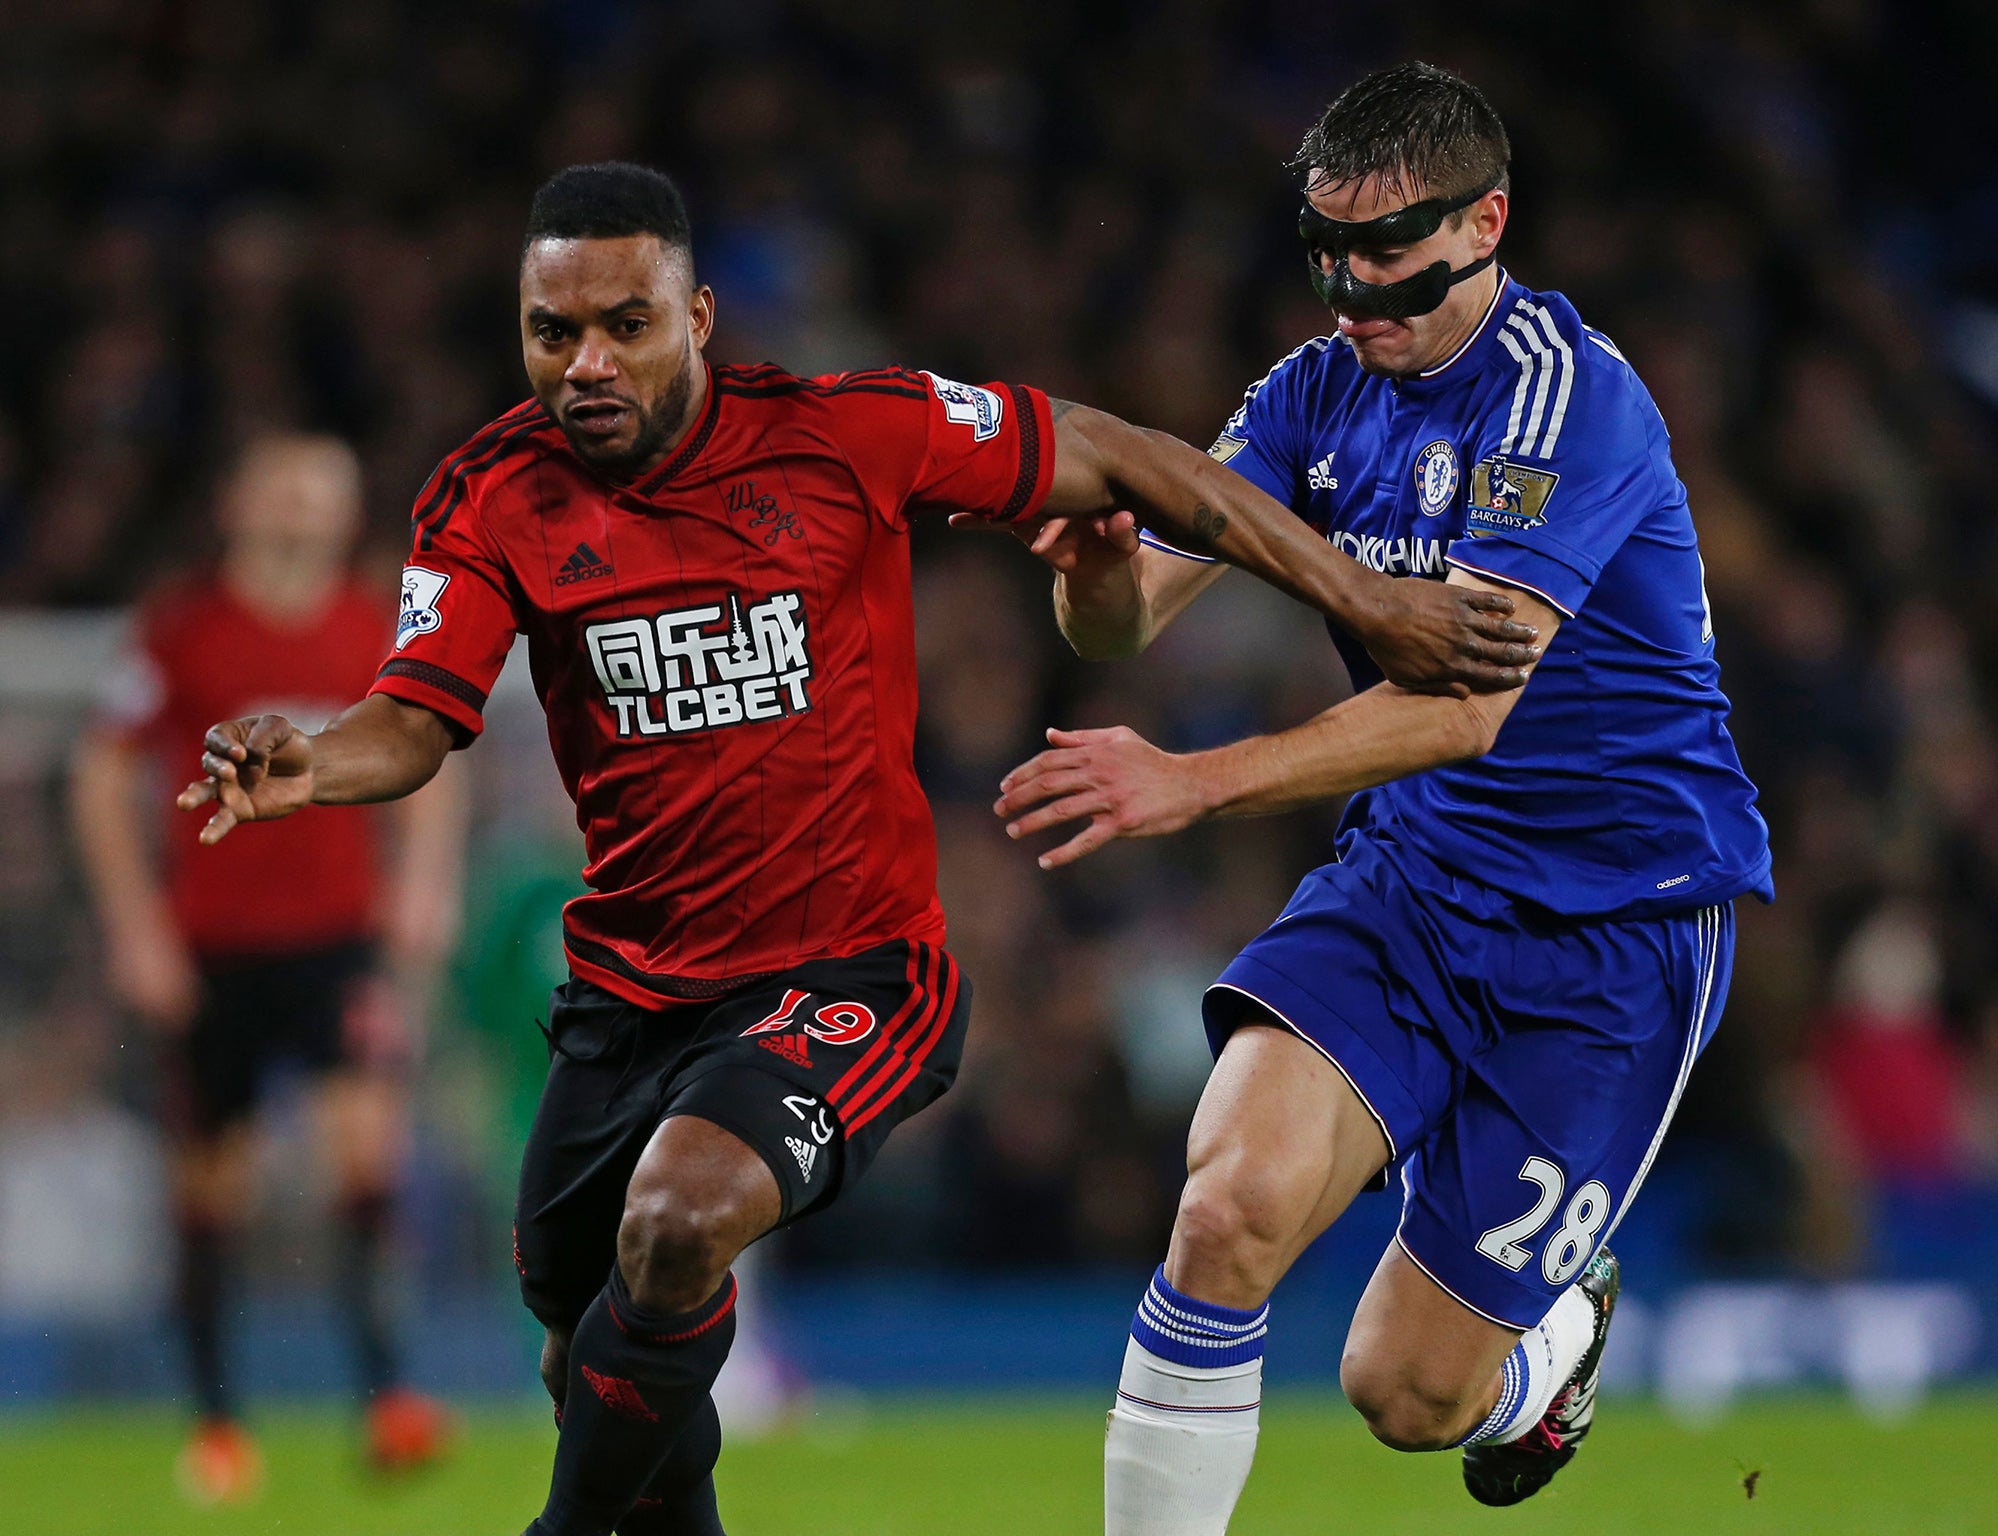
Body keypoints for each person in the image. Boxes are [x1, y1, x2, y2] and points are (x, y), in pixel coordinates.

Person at [171, 162, 1536, 1536]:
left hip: (850, 975)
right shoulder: (489, 497)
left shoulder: (847, 433)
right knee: (597, 1353)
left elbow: (1123, 454)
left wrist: (1369, 598)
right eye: (550, 332)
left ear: (697, 316)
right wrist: (310, 761)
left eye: (622, 325)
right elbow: (414, 719)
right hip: (630, 998)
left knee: (676, 1224)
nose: (583, 363)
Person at [995, 63, 1773, 1528]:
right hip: (1416, 881)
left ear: (1487, 220)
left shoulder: (1570, 401)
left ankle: (1548, 1352)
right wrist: (1102, 569)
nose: (1358, 295)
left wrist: (1192, 783)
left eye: (1395, 256)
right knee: (1223, 1212)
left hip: (1618, 926)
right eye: (1330, 256)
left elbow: (1469, 706)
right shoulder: (1312, 393)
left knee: (1404, 1395)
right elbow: (1125, 622)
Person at [71, 434, 460, 1503]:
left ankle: (389, 1401)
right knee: (213, 1189)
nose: (302, 513)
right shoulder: (182, 631)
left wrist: (426, 885)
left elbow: (431, 755)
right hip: (213, 951)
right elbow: (101, 777)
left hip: (339, 942)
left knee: (366, 1157)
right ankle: (217, 1423)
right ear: (238, 503)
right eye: (284, 491)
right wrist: (137, 927)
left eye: (321, 496)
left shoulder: (374, 628)